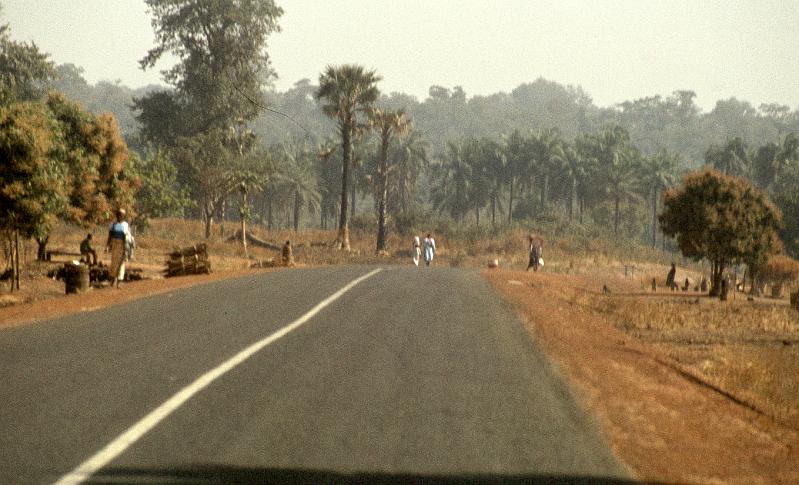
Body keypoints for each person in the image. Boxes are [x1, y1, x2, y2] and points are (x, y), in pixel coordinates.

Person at [105, 209, 132, 288]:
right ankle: (112, 281)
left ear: (123, 216)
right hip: (114, 245)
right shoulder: (113, 224)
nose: (120, 216)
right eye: (118, 214)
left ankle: (119, 282)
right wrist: (107, 246)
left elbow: (127, 237)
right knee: (114, 263)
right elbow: (110, 236)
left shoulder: (125, 225)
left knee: (121, 263)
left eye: (121, 215)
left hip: (122, 245)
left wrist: (127, 249)